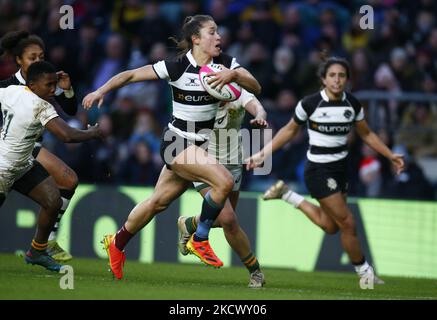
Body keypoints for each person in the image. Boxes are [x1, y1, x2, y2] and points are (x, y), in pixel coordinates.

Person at [83, 15, 261, 279]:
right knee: (223, 182)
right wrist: (101, 90)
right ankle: (199, 238)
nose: (219, 37)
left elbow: (255, 86)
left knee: (157, 203)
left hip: (198, 147)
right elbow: (132, 74)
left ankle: (117, 243)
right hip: (177, 142)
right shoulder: (176, 67)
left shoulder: (224, 65)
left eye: (219, 32)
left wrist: (234, 74)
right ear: (196, 39)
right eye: (212, 32)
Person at [246, 55, 404, 286]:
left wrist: (390, 155)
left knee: (331, 226)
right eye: (332, 75)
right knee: (348, 223)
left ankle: (286, 194)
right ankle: (365, 274)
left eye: (341, 76)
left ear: (347, 79)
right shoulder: (310, 104)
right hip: (318, 170)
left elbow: (367, 133)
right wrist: (263, 153)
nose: (337, 80)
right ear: (323, 79)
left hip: (341, 170)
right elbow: (289, 131)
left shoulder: (352, 104)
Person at [0, 61, 102, 271]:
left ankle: (37, 251)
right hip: (3, 169)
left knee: (53, 201)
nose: (52, 90)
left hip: (23, 164)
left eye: (53, 84)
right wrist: (93, 132)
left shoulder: (10, 91)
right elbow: (67, 135)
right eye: (48, 85)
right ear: (32, 84)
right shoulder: (40, 106)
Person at [0, 31, 78, 262]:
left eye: (40, 56)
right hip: (11, 150)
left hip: (29, 151)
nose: (37, 61)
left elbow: (71, 110)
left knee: (68, 181)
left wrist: (68, 89)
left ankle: (46, 241)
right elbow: (66, 134)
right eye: (31, 57)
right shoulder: (8, 86)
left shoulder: (46, 82)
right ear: (18, 60)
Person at [177, 88, 268, 288]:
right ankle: (256, 272)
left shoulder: (237, 92)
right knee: (228, 219)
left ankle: (190, 224)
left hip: (234, 164)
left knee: (223, 220)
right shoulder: (200, 98)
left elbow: (257, 107)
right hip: (204, 162)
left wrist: (260, 116)